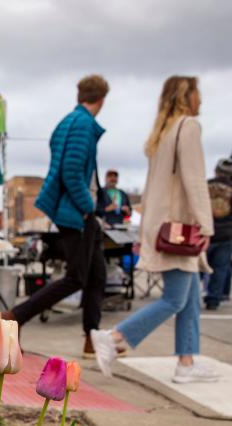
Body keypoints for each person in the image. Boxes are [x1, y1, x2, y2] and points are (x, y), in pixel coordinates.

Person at [90, 75, 217, 383]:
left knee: (187, 297)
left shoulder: (163, 133)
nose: (202, 100)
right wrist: (206, 224)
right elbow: (195, 180)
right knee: (175, 298)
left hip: (162, 225)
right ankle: (115, 337)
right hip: (181, 228)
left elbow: (151, 190)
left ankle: (186, 363)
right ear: (188, 97)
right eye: (198, 94)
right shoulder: (188, 128)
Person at [0, 75, 109, 356]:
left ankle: (92, 340)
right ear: (102, 99)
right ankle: (16, 316)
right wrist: (87, 208)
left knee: (96, 276)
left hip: (76, 212)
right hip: (77, 213)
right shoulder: (82, 125)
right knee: (77, 277)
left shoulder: (68, 122)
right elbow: (71, 173)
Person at [204, 158, 232, 310]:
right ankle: (213, 300)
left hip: (205, 232)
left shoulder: (206, 186)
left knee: (196, 268)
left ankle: (190, 298)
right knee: (220, 269)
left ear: (216, 170)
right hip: (226, 234)